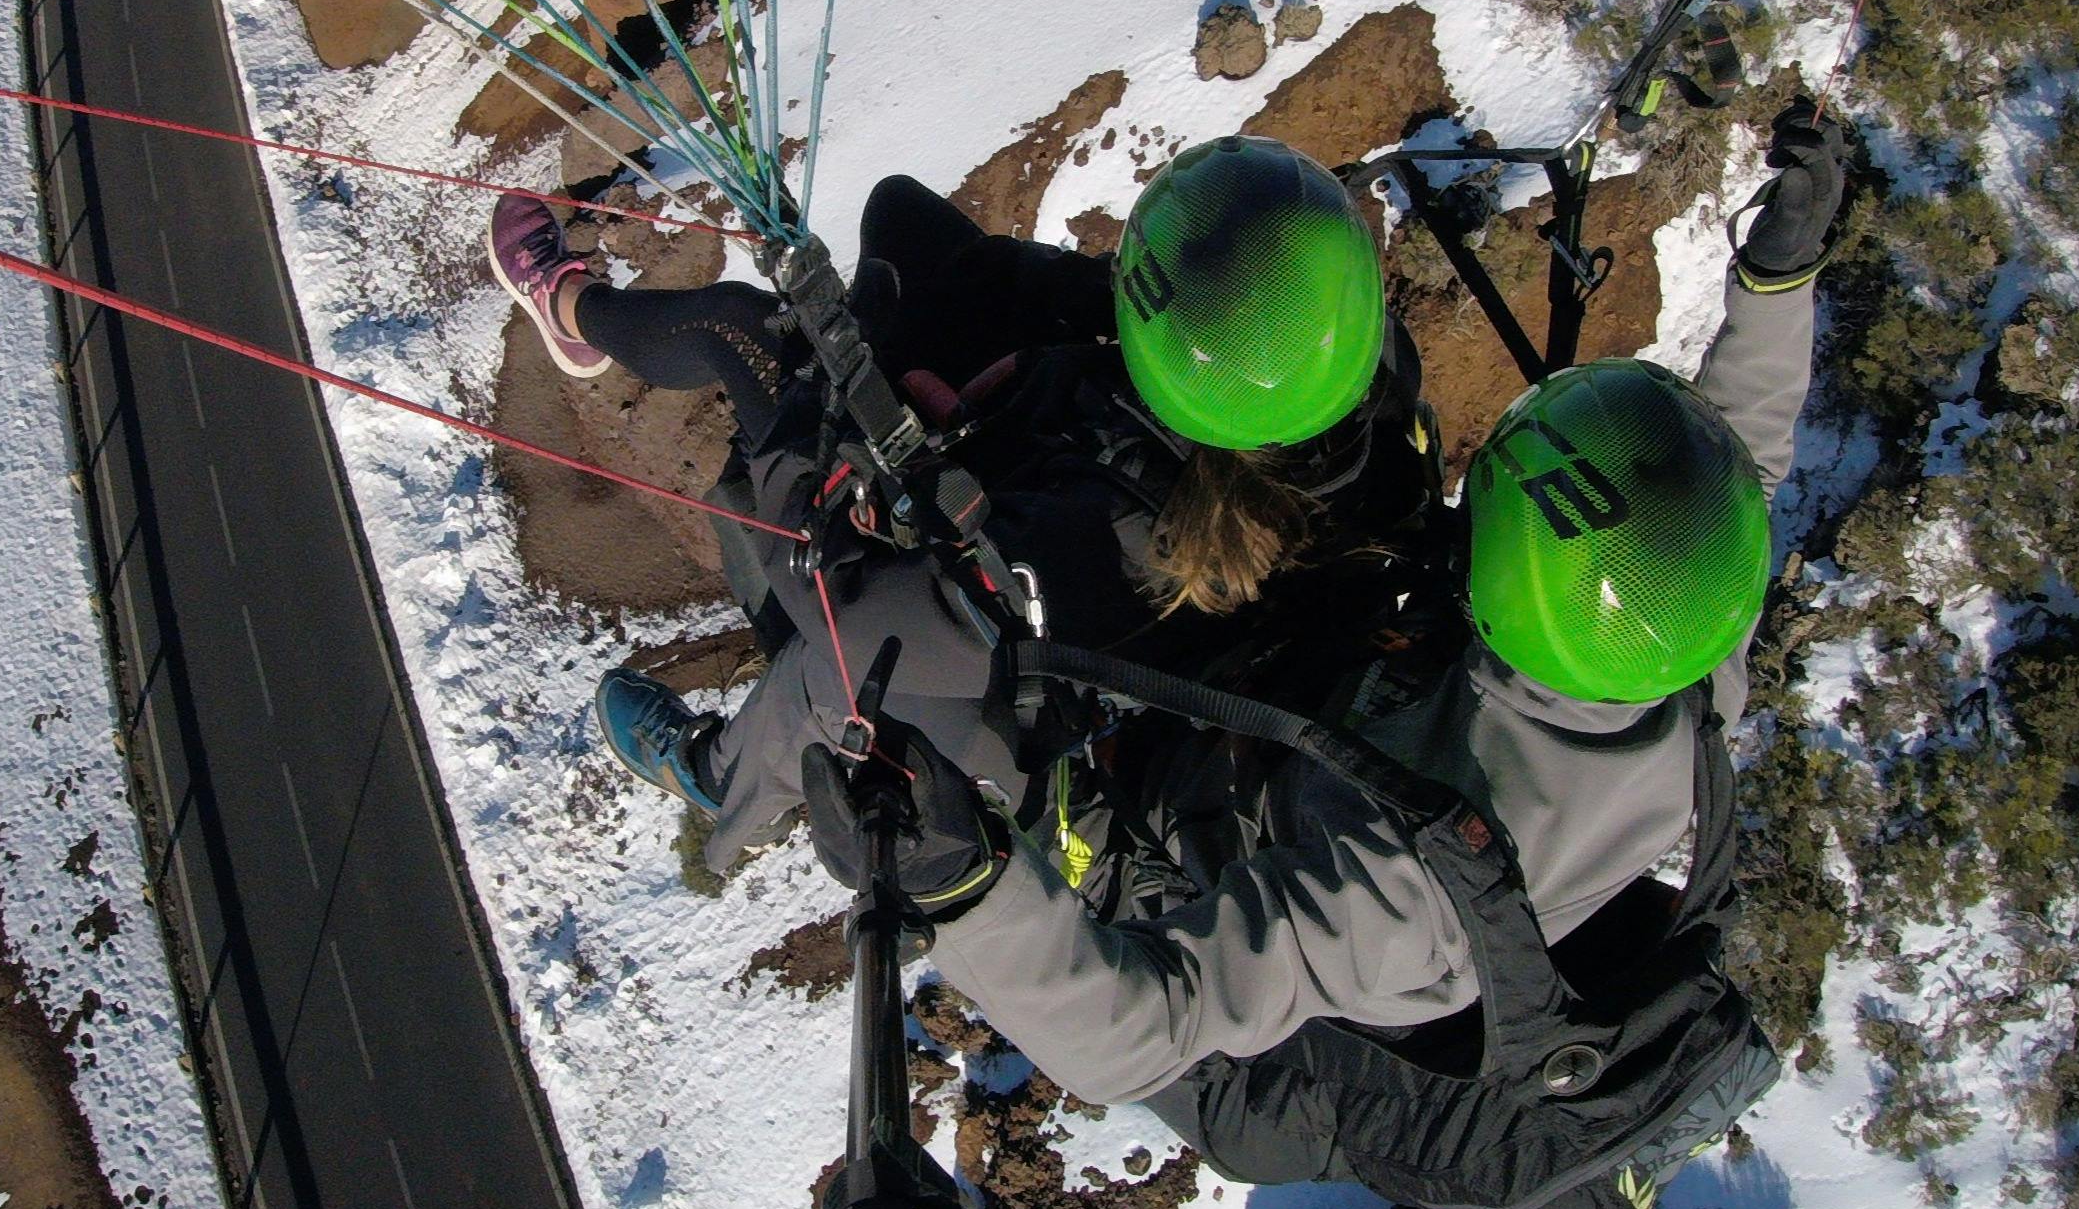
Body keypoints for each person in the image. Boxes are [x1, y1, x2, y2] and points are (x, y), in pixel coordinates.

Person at [791, 102, 1854, 1209]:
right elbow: (1741, 475)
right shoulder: (1677, 664)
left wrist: (967, 888)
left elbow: (1137, 1027)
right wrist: (1776, 283)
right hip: (1459, 887)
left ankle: (722, 774)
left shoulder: (1394, 889)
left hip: (1279, 1081)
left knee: (1093, 807)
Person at [486, 137, 1442, 877]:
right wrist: (1016, 362)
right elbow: (1096, 301)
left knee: (746, 339)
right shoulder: (1346, 378)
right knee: (903, 224)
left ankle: (719, 776)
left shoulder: (1092, 553)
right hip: (1060, 454)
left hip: (1014, 681)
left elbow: (845, 611)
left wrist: (822, 429)